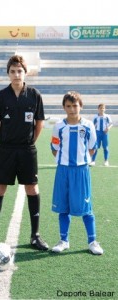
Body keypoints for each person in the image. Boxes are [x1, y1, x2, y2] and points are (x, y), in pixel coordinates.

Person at [0, 55, 49, 251]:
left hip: (27, 150)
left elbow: (39, 123)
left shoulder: (35, 94)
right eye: (12, 71)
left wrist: (30, 142)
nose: (16, 74)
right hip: (7, 150)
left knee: (32, 189)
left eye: (19, 71)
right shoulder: (1, 96)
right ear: (8, 73)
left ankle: (35, 235)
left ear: (25, 72)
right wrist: (6, 139)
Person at [50, 91, 103, 255]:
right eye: (68, 106)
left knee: (86, 208)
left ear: (81, 106)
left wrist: (81, 160)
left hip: (81, 171)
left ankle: (92, 241)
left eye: (75, 105)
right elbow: (54, 148)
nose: (72, 109)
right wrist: (65, 161)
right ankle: (63, 240)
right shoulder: (59, 126)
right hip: (63, 171)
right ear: (63, 107)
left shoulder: (88, 125)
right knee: (63, 207)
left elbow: (92, 148)